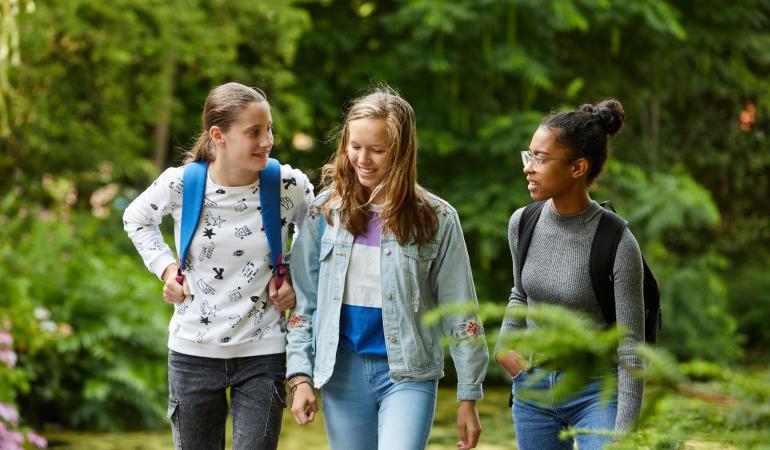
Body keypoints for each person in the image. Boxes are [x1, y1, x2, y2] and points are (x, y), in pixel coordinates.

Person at [285, 87, 488, 450]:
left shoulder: (437, 219)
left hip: (409, 373)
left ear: (401, 150)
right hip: (341, 372)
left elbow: (461, 311)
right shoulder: (323, 213)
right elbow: (305, 303)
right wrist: (300, 376)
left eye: (378, 150)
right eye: (355, 146)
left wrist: (469, 395)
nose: (363, 159)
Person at [123, 82, 314, 450]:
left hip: (264, 351)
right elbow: (136, 219)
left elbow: (319, 240)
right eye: (254, 132)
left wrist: (292, 274)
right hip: (193, 352)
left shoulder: (288, 186)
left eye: (269, 128)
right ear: (218, 136)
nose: (267, 140)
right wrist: (166, 269)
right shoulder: (180, 184)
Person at [495, 99, 644, 450]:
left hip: (597, 392)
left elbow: (631, 348)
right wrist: (505, 350)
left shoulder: (617, 241)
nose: (528, 168)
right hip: (533, 391)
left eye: (541, 159)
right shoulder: (522, 222)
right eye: (528, 156)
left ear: (578, 167)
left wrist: (622, 434)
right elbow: (520, 293)